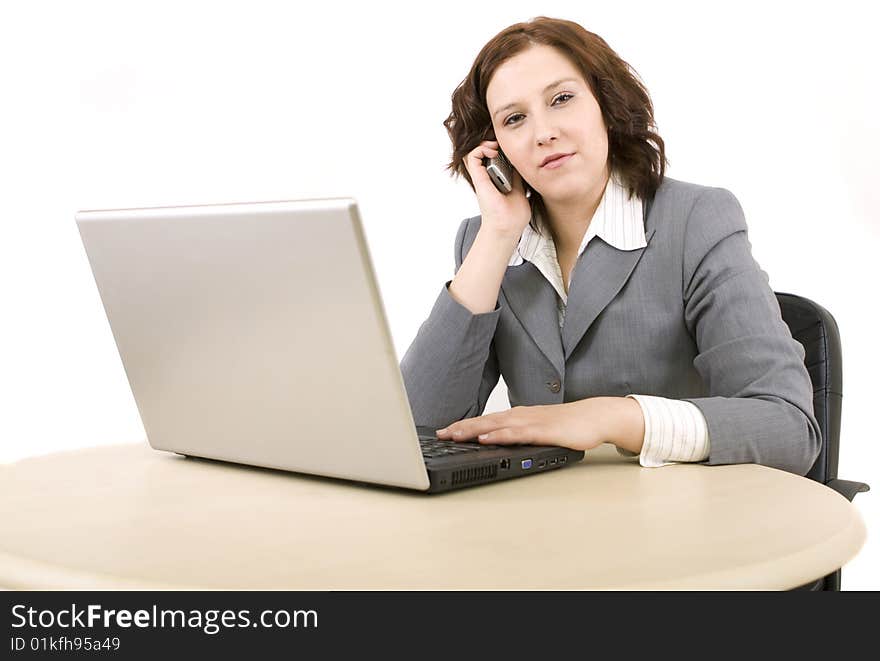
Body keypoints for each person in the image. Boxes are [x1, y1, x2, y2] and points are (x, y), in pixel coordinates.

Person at [399, 16, 821, 475]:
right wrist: (498, 234)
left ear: (606, 103)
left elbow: (789, 429)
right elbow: (414, 432)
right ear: (495, 145)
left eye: (562, 99)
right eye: (514, 119)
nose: (543, 133)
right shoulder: (486, 243)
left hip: (677, 523)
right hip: (537, 525)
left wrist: (610, 417)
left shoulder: (695, 220)